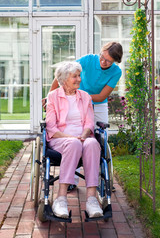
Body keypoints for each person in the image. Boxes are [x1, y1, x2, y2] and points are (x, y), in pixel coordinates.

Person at [44, 41, 123, 191]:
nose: (103, 62)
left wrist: (82, 97)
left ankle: (101, 177)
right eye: (102, 57)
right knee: (74, 131)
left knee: (98, 138)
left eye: (108, 61)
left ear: (115, 62)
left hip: (96, 102)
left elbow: (100, 96)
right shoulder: (88, 59)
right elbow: (64, 74)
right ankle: (72, 180)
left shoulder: (116, 72)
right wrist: (51, 96)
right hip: (73, 95)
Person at [46, 61, 103, 218]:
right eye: (74, 76)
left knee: (92, 143)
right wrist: (72, 137)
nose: (79, 79)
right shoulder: (53, 97)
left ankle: (92, 199)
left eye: (79, 75)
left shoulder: (85, 97)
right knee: (73, 143)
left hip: (83, 138)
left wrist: (84, 135)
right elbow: (51, 127)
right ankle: (61, 198)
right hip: (61, 139)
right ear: (64, 79)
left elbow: (90, 122)